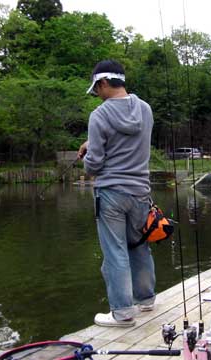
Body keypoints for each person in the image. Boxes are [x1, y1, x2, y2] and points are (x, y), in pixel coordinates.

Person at [78, 60, 156, 327]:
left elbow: (95, 165)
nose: (96, 94)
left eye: (96, 88)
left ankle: (122, 313)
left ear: (103, 83)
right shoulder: (145, 110)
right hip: (141, 192)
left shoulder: (99, 115)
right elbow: (132, 141)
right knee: (139, 245)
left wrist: (87, 156)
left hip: (111, 192)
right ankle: (145, 300)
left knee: (115, 252)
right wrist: (94, 142)